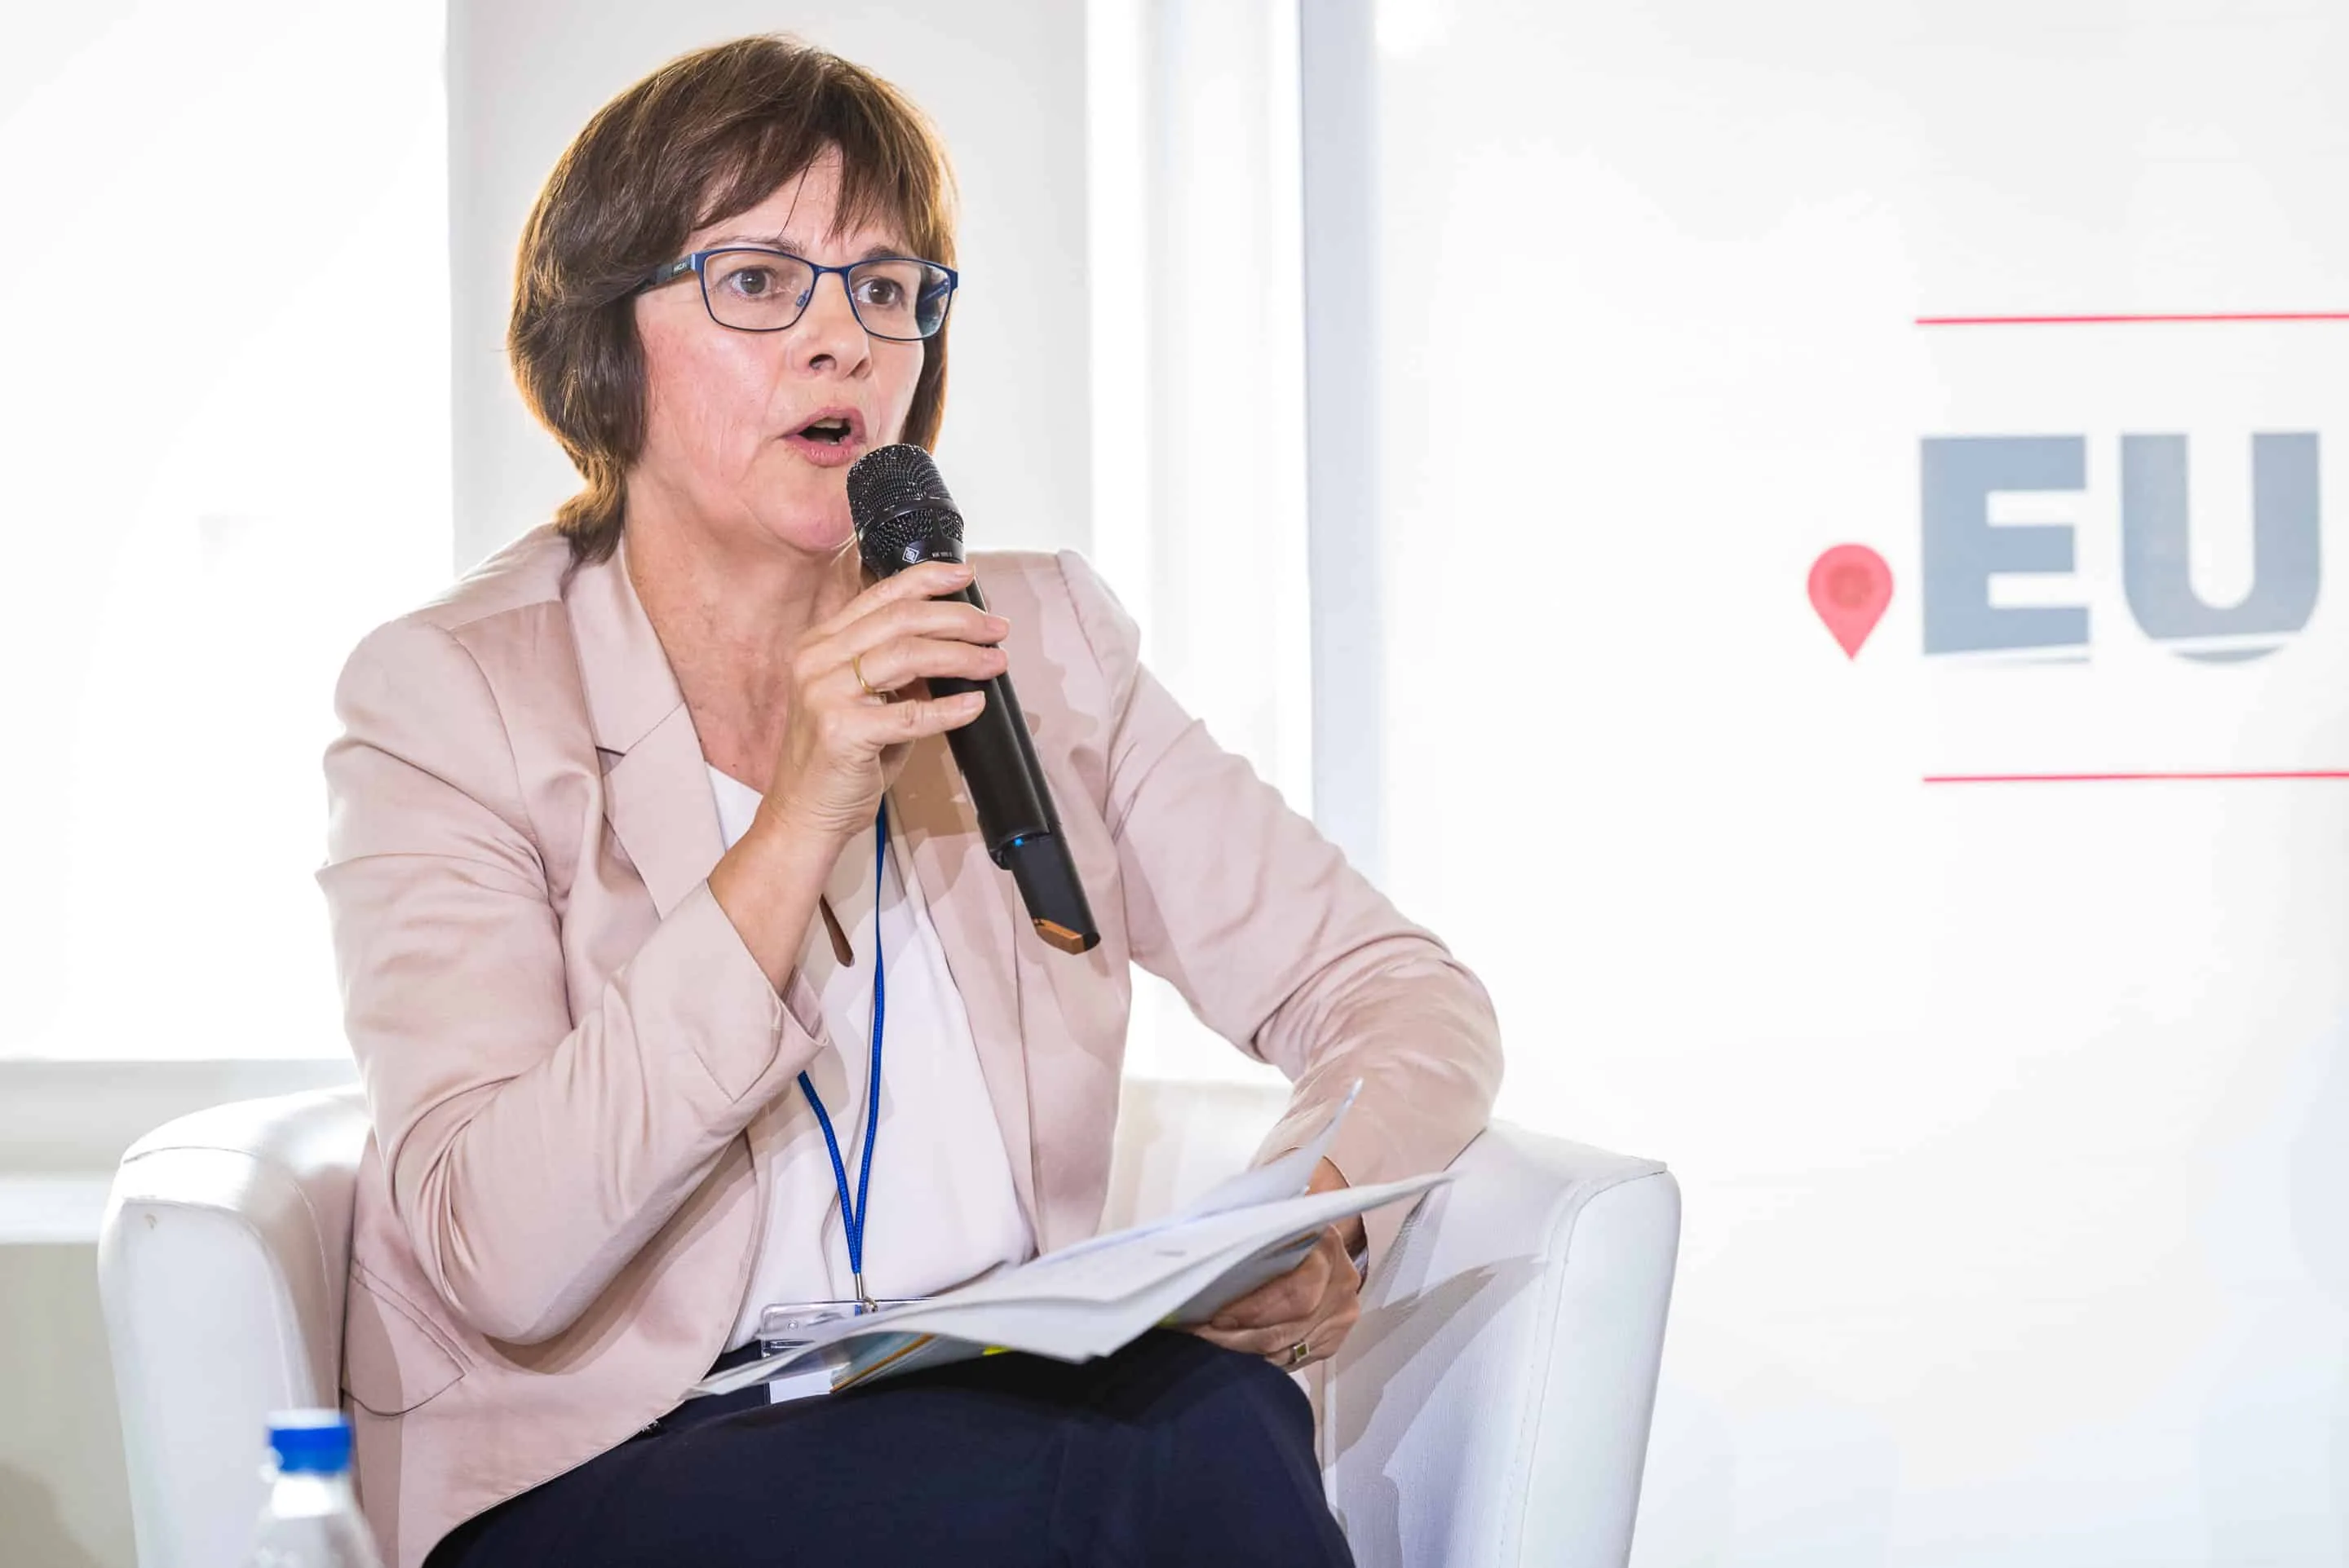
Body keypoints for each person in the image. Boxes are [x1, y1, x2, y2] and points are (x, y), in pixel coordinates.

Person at [318, 33, 1500, 1568]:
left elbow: (1401, 992)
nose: (843, 342)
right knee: (1139, 1477)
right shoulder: (452, 695)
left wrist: (1317, 1218)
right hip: (608, 1463)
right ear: (606, 344)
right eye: (759, 282)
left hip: (983, 1400)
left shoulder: (1038, 645)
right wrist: (797, 818)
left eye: (885, 288)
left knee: (1216, 1414)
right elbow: (497, 1252)